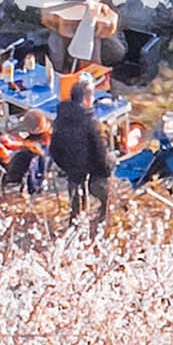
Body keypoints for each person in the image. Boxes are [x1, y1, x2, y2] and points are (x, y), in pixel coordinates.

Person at [49, 65, 116, 233]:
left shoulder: (60, 119)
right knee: (105, 195)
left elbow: (54, 148)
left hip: (71, 170)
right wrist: (107, 170)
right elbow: (100, 154)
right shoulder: (91, 124)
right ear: (87, 99)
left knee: (77, 204)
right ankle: (101, 222)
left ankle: (75, 226)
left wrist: (65, 166)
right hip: (91, 171)